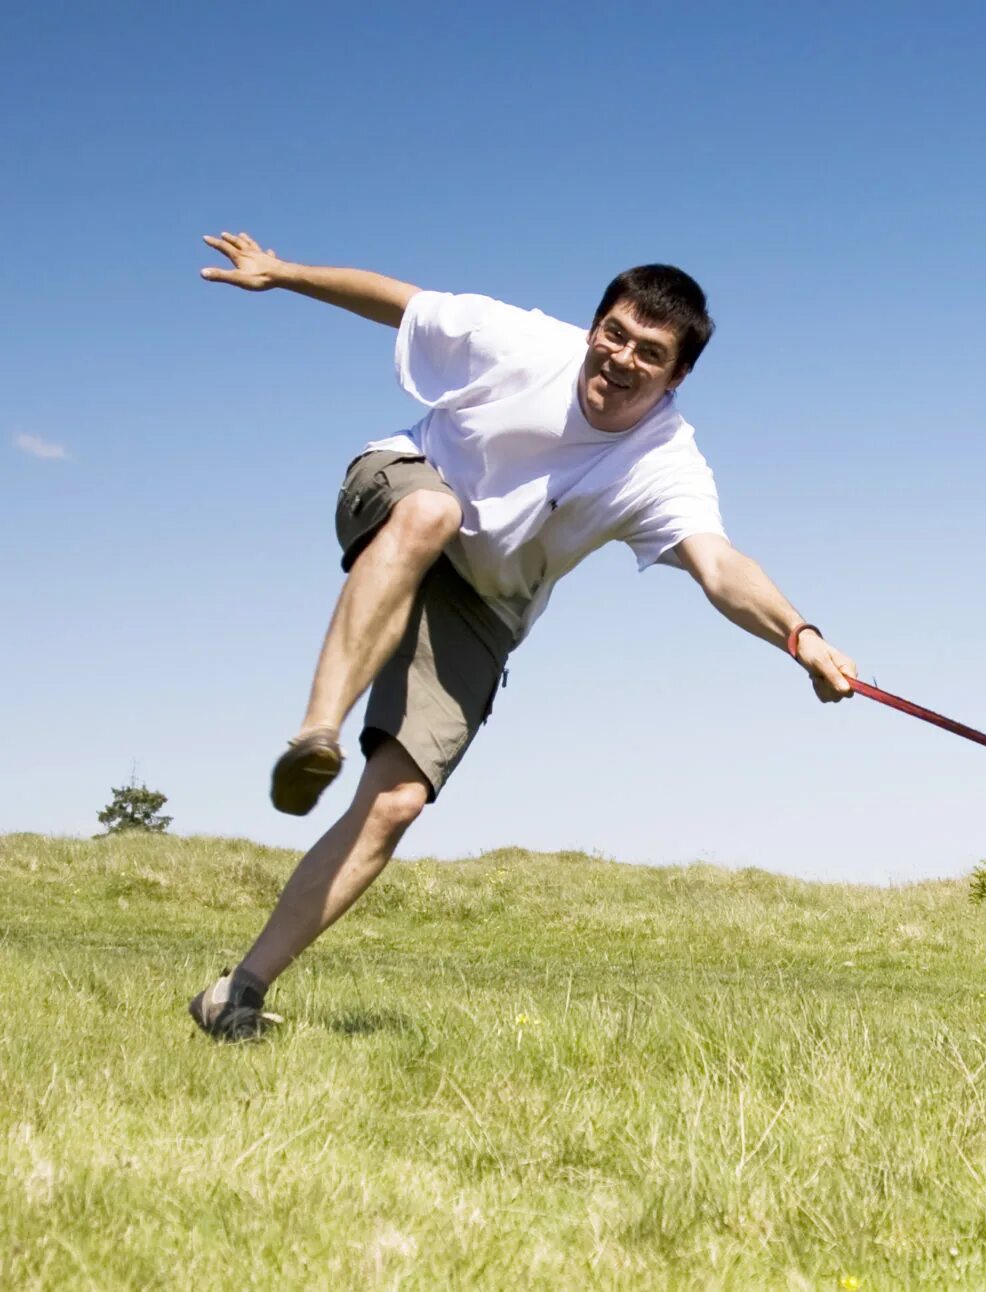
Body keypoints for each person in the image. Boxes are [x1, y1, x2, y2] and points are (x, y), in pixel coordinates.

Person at [187, 231, 858, 1040]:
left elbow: (717, 565)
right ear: (592, 327)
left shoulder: (666, 463)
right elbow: (397, 300)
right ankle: (316, 734)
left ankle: (238, 994)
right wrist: (284, 273)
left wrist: (800, 635)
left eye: (649, 352)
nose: (619, 358)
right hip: (402, 486)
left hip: (485, 599)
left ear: (677, 376)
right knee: (432, 513)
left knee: (396, 802)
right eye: (612, 333)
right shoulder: (519, 341)